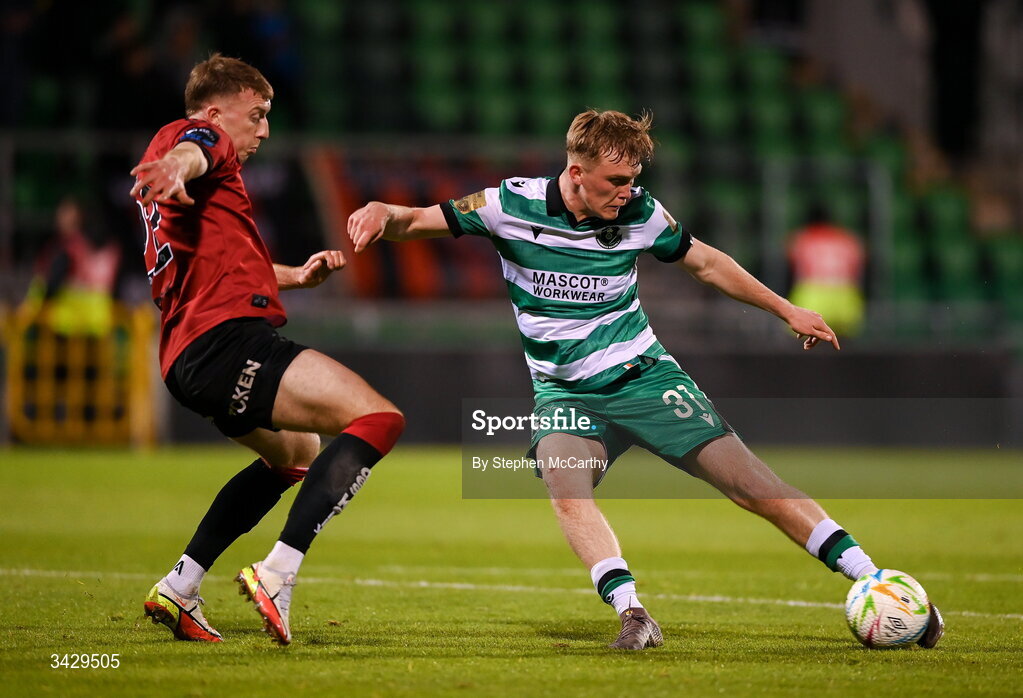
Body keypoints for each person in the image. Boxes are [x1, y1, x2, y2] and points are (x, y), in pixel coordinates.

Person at [347, 110, 943, 651]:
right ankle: (633, 614)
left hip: (646, 380)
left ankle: (877, 580)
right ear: (576, 173)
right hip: (565, 393)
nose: (627, 194)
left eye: (633, 180)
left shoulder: (641, 213)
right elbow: (418, 221)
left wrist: (786, 310)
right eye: (615, 182)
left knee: (752, 486)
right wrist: (383, 213)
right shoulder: (509, 206)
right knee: (565, 481)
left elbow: (707, 262)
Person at [130, 53, 404, 645]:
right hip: (226, 342)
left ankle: (179, 587)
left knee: (296, 453)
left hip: (187, 355)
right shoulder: (197, 142)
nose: (264, 129)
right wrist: (181, 163)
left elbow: (219, 266)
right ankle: (278, 569)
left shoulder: (186, 189)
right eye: (256, 114)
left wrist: (293, 278)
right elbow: (195, 146)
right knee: (379, 418)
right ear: (216, 111)